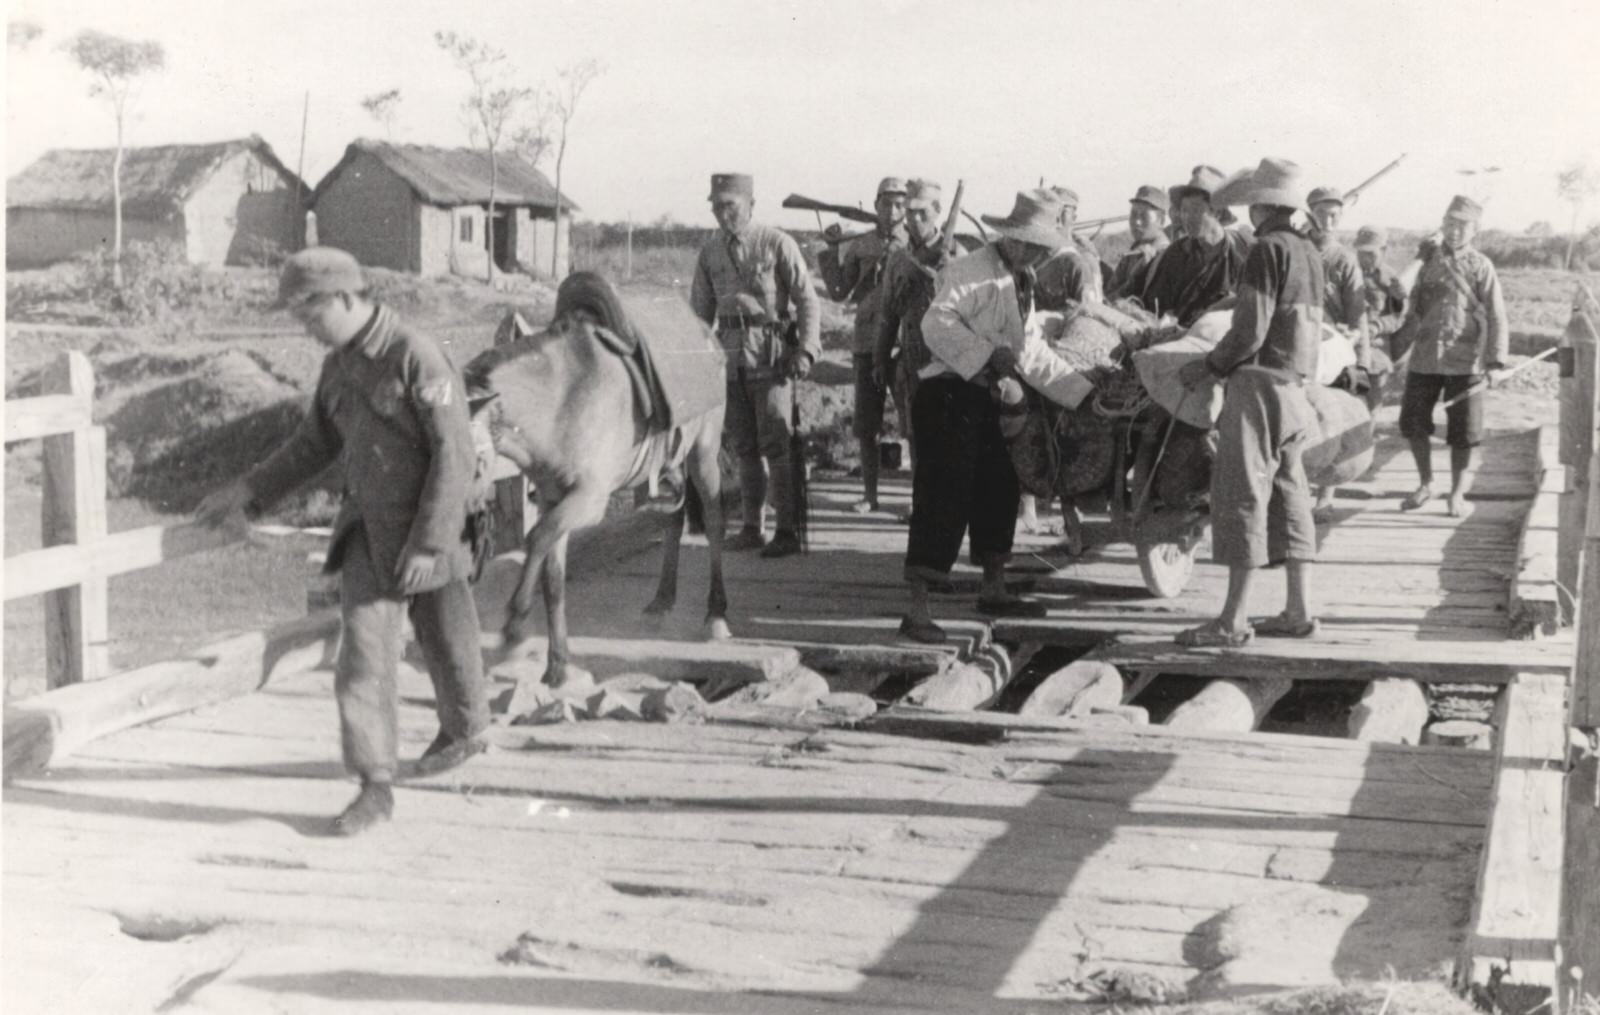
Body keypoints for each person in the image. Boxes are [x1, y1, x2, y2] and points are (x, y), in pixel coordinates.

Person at [195, 247, 490, 836]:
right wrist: (250, 491)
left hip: (430, 530)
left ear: (349, 299)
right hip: (367, 534)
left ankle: (465, 730)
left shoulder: (416, 357)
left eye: (311, 315)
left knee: (449, 638)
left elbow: (453, 456)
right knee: (364, 658)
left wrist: (429, 545)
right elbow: (312, 447)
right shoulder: (338, 368)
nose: (306, 330)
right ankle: (374, 785)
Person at [899, 189, 1097, 643]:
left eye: (1044, 250)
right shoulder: (970, 272)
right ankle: (917, 611)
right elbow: (935, 325)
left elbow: (1031, 351)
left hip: (990, 398)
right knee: (942, 499)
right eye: (1034, 246)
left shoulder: (1019, 279)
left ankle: (994, 587)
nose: (1038, 255)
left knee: (999, 488)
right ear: (1016, 239)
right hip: (949, 397)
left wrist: (1082, 393)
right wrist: (989, 356)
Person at [1175, 158, 1325, 647]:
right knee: (1290, 493)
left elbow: (1249, 332)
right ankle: (1298, 610)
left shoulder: (1266, 250)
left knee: (1241, 492)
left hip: (1258, 383)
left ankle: (1232, 620)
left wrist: (1210, 366)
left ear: (1262, 206)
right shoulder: (1308, 251)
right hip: (1295, 384)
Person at [689, 173, 822, 558]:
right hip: (728, 360)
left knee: (776, 444)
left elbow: (807, 300)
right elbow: (700, 313)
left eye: (729, 204)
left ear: (750, 204)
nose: (721, 212)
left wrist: (806, 351)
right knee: (744, 447)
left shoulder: (777, 243)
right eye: (716, 205)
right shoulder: (710, 252)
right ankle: (752, 527)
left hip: (772, 356)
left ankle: (785, 531)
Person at [1395, 195, 1509, 517]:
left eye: (1462, 225)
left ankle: (1457, 494)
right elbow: (1403, 297)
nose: (1455, 231)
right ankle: (1426, 483)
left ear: (1475, 230)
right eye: (1449, 223)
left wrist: (1495, 362)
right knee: (1413, 423)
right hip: (1425, 357)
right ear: (1441, 225)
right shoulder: (1426, 261)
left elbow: (1497, 314)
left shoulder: (1481, 266)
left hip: (1466, 360)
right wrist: (1419, 257)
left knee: (1464, 431)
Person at [818, 177, 907, 514]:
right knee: (866, 426)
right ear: (876, 205)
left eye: (900, 204)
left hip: (903, 346)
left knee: (911, 425)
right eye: (887, 203)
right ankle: (870, 496)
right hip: (867, 343)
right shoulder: (861, 245)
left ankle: (919, 500)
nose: (893, 211)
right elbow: (839, 291)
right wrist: (831, 250)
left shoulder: (915, 245)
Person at [874, 178, 953, 474]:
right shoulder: (899, 260)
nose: (914, 219)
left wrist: (949, 271)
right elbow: (888, 314)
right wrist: (880, 359)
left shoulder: (958, 256)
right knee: (916, 434)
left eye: (923, 212)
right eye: (909, 212)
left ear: (938, 211)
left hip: (949, 363)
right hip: (913, 359)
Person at [1139, 165, 1253, 325]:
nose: (1187, 217)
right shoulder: (1175, 254)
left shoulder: (1241, 255)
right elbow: (1153, 303)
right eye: (1184, 210)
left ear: (1217, 213)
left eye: (1195, 210)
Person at [1306, 186, 1371, 371]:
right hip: (1296, 344)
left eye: (1333, 215)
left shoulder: (1345, 260)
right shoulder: (1293, 250)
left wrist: (1362, 365)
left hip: (1332, 348)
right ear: (1309, 214)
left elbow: (1357, 314)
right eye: (1320, 213)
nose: (1327, 221)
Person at [1353, 225, 1409, 357]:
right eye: (1361, 253)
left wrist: (1376, 326)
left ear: (1383, 250)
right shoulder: (1349, 274)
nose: (1365, 259)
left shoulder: (1390, 279)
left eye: (1371, 254)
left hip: (1377, 350)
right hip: (1348, 349)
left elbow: (1400, 315)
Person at [1108, 185, 1171, 300]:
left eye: (1144, 216)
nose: (1137, 222)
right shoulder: (1132, 254)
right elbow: (1110, 294)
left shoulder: (1167, 256)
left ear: (1161, 221)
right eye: (1133, 215)